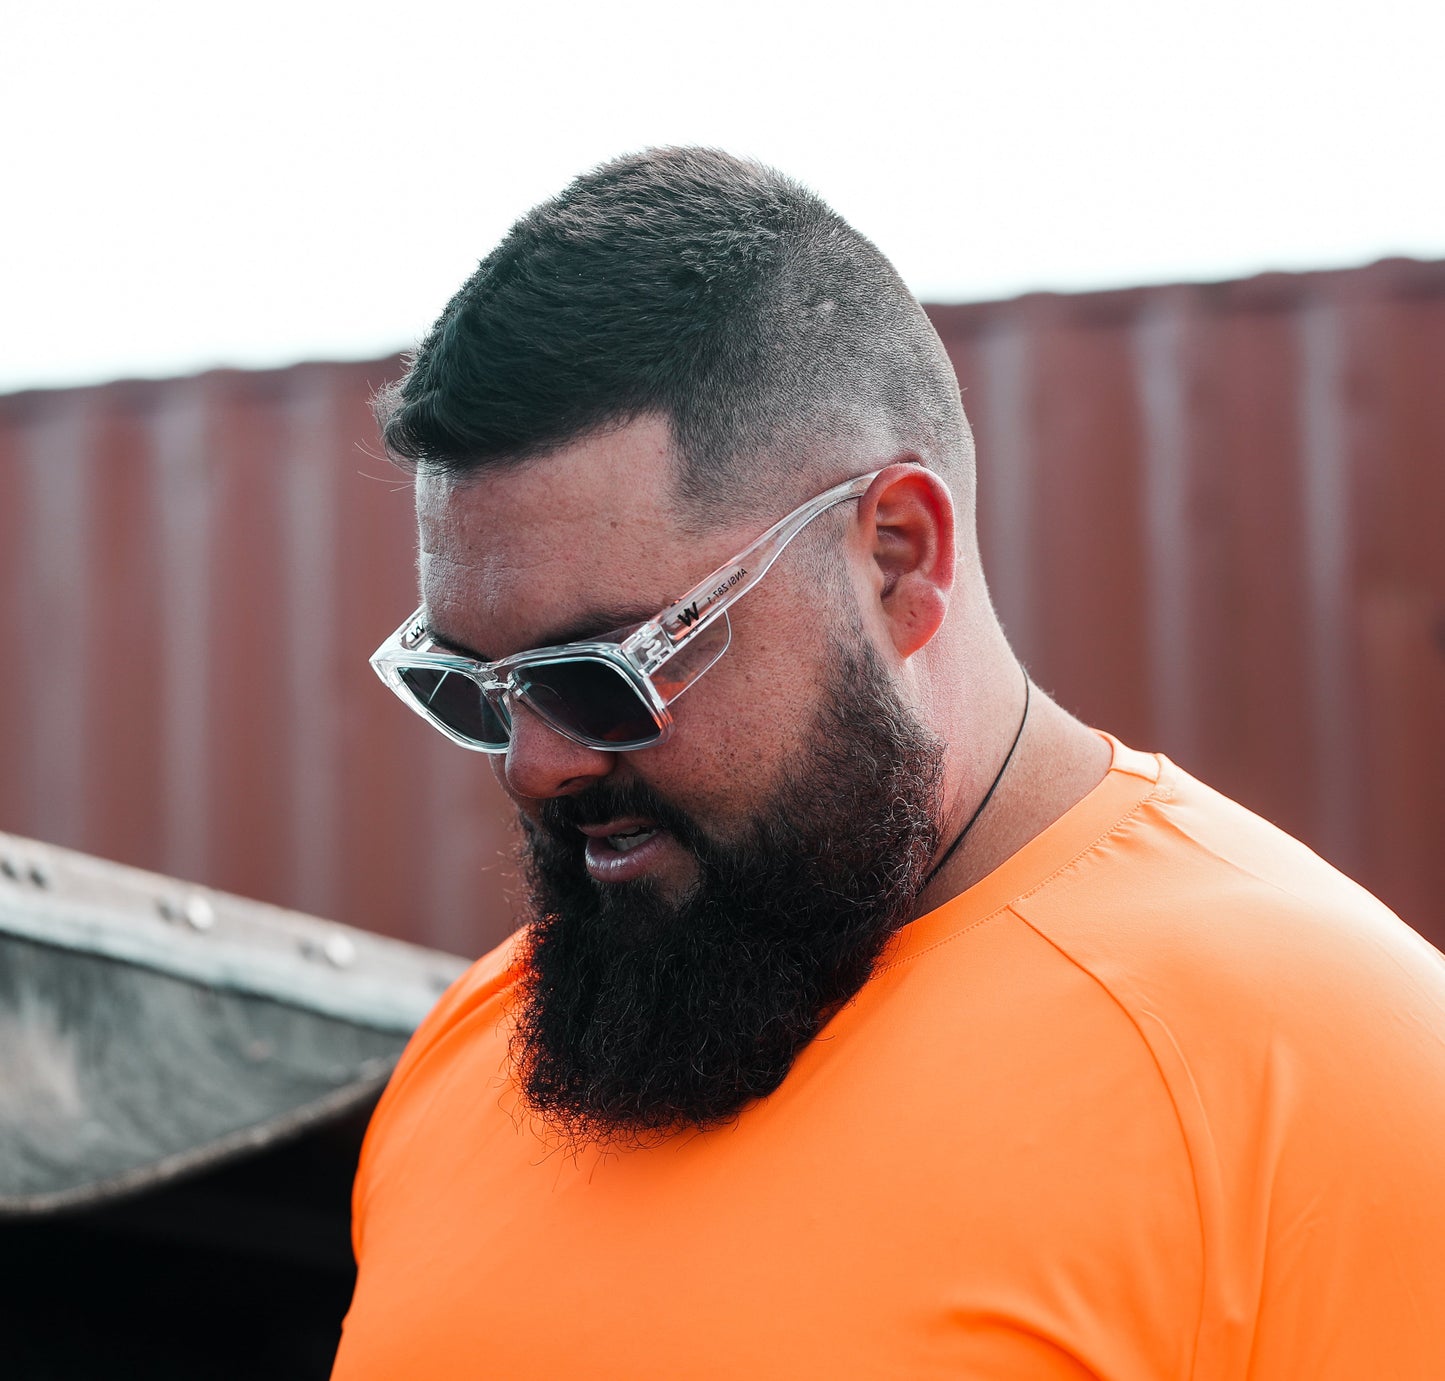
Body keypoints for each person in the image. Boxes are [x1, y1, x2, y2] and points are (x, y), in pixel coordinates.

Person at [332, 149, 1445, 1379]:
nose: (535, 763)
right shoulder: (473, 1050)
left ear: (898, 557)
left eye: (603, 673)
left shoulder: (1324, 1072)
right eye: (477, 690)